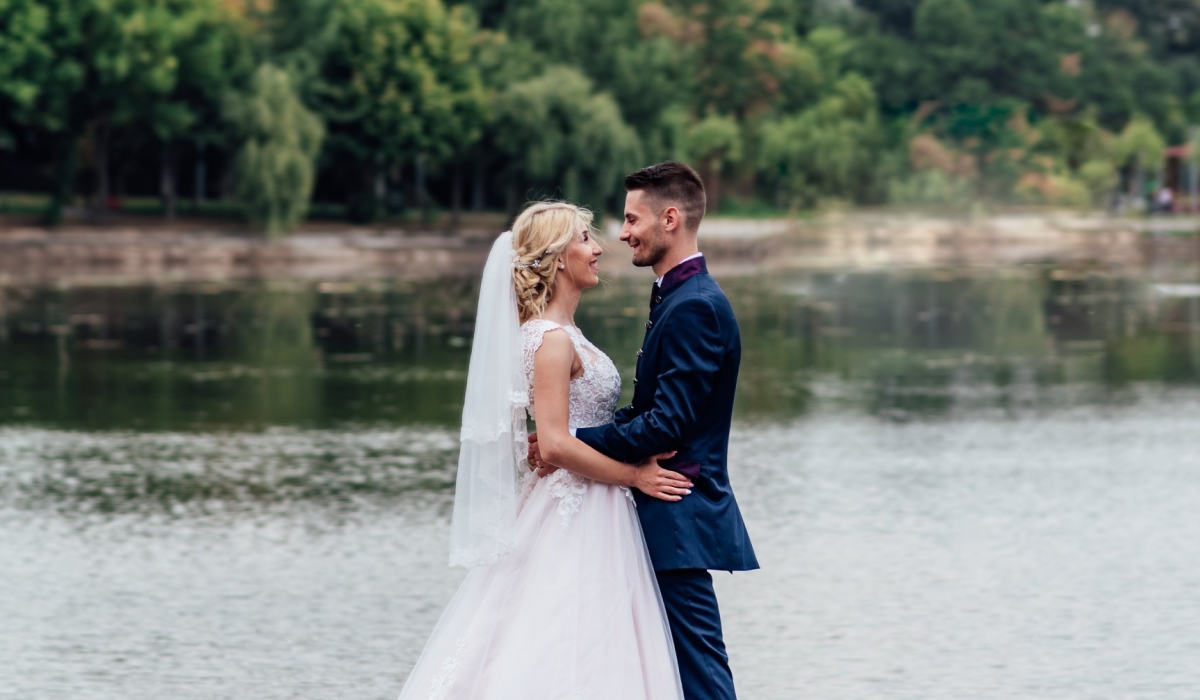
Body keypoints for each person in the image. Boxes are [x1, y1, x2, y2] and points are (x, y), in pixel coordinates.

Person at [394, 200, 695, 700]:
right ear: (557, 257)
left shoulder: (562, 334)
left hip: (593, 506)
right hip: (576, 509)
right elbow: (554, 445)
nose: (598, 248)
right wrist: (635, 477)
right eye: (584, 239)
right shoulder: (551, 340)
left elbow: (566, 432)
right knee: (560, 636)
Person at [531, 161, 759, 700]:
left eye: (633, 219)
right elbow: (652, 412)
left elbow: (669, 423)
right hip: (653, 514)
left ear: (671, 219)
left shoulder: (695, 305)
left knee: (699, 671)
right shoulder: (677, 297)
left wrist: (569, 443)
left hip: (677, 513)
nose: (623, 232)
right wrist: (565, 442)